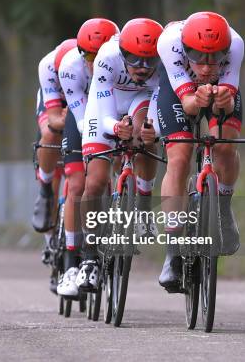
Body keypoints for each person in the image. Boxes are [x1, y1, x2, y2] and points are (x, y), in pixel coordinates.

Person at [71, 18, 164, 293]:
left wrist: (152, 130)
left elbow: (158, 105)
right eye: (136, 60)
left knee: (144, 134)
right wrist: (115, 127)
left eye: (150, 61)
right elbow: (101, 109)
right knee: (95, 182)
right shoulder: (107, 57)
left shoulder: (164, 66)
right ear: (123, 53)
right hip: (106, 105)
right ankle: (89, 257)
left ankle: (144, 209)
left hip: (141, 100)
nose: (143, 68)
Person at [156, 11, 244, 291]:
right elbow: (188, 105)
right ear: (185, 50)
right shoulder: (169, 43)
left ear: (226, 51)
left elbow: (228, 106)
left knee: (225, 146)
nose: (206, 68)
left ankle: (224, 208)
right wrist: (197, 98)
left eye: (215, 58)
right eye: (198, 57)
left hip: (220, 92)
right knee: (179, 157)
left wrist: (223, 100)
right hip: (179, 92)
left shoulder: (236, 45)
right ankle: (172, 253)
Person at [55, 18, 120, 297]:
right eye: (89, 57)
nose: (95, 63)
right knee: (78, 183)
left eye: (99, 55)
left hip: (115, 106)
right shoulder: (70, 68)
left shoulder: (118, 60)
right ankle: (71, 262)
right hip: (82, 115)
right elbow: (83, 121)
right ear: (82, 54)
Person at [32, 38, 77, 269]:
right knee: (51, 137)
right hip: (55, 103)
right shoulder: (48, 66)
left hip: (82, 93)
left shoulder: (90, 66)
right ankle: (46, 189)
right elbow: (53, 120)